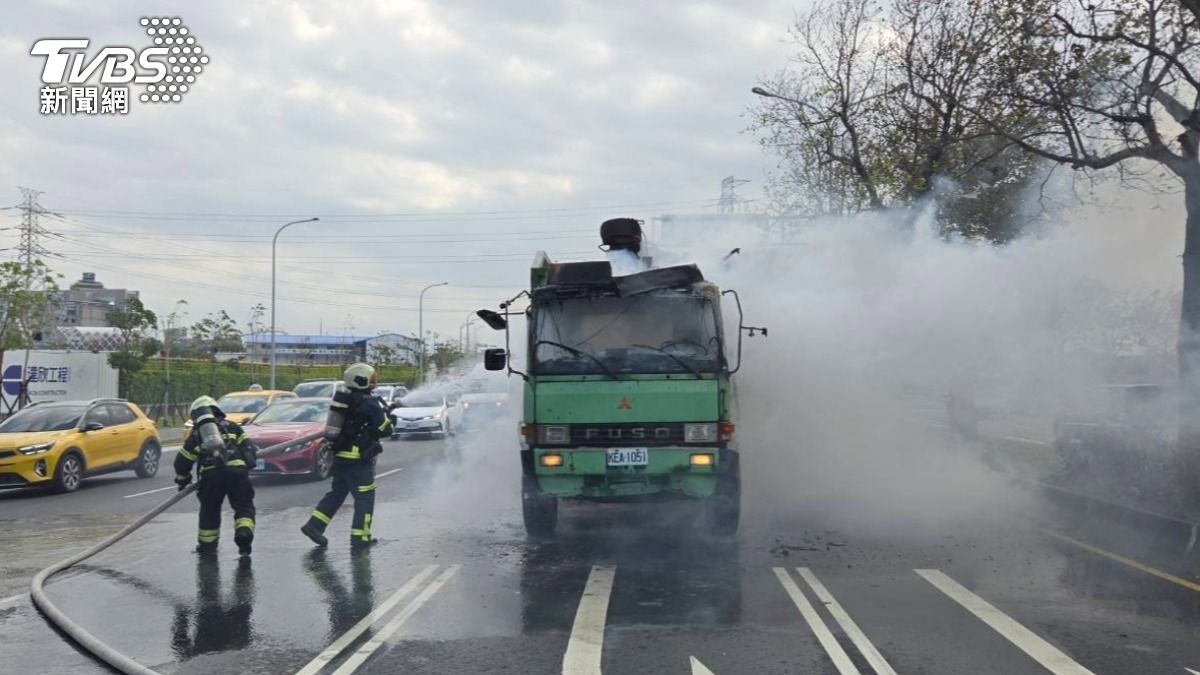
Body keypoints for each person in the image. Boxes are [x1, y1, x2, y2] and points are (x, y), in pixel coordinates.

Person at [301, 363, 393, 551]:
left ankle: (314, 526)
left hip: (340, 457)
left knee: (337, 493)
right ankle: (360, 537)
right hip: (359, 460)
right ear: (362, 380)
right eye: (371, 378)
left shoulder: (344, 398)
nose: (374, 381)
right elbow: (385, 430)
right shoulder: (369, 403)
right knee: (365, 497)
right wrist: (390, 419)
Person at [175, 396, 259, 557]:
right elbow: (249, 448)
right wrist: (247, 465)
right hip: (237, 474)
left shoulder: (196, 435)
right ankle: (244, 535)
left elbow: (181, 462)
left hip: (211, 476)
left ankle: (208, 547)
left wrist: (182, 480)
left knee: (210, 511)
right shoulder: (233, 427)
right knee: (244, 506)